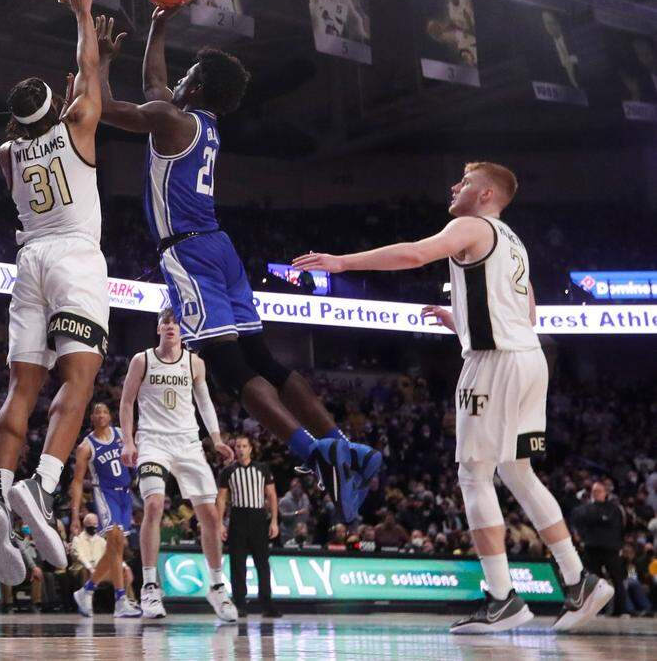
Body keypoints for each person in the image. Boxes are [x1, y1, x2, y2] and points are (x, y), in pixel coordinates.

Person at [293, 161, 614, 634]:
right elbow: (526, 312)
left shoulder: (471, 225)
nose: (453, 186)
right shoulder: (513, 241)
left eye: (464, 182)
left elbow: (414, 254)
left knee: (473, 474)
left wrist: (342, 263)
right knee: (517, 472)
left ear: (485, 195)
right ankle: (578, 579)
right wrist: (460, 320)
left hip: (494, 363)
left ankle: (502, 599)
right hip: (529, 360)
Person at [93, 11, 379, 523]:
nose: (177, 80)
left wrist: (102, 60)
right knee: (264, 360)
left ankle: (316, 456)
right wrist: (159, 24)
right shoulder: (202, 124)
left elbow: (106, 109)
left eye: (187, 75)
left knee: (230, 369)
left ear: (197, 86)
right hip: (221, 247)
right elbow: (156, 85)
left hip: (189, 252)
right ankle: (343, 445)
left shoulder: (170, 119)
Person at [0, 0, 109, 586]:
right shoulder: (79, 124)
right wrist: (82, 13)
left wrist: (64, 94)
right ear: (58, 106)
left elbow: (58, 104)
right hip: (74, 258)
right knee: (78, 380)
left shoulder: (8, 152)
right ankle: (43, 484)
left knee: (21, 388)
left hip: (28, 261)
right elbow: (87, 69)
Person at [117, 308, 236, 621]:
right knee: (154, 505)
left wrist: (216, 439)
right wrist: (128, 441)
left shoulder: (195, 362)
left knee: (210, 515)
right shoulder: (142, 360)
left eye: (176, 323)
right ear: (158, 328)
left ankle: (217, 587)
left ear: (183, 330)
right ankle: (150, 587)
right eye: (166, 322)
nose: (170, 326)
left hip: (188, 444)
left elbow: (204, 402)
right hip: (152, 442)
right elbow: (126, 402)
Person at [68, 402, 142, 618]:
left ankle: (87, 590)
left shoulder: (121, 434)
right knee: (116, 542)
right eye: (97, 412)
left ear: (110, 416)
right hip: (105, 494)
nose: (101, 415)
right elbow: (77, 481)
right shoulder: (86, 446)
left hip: (125, 495)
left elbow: (135, 455)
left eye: (105, 412)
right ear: (91, 417)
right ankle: (120, 600)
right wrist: (75, 514)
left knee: (115, 548)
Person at [217, 435, 280, 617]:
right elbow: (221, 499)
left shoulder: (262, 468)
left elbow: (272, 495)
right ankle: (239, 603)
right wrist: (220, 523)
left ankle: (266, 603)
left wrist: (274, 521)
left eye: (244, 446)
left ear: (251, 448)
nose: (241, 449)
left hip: (258, 517)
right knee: (237, 563)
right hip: (238, 517)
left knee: (263, 562)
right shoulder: (228, 471)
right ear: (235, 449)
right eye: (238, 446)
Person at [571, 481, 628, 617]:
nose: (596, 494)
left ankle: (620, 611)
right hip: (592, 548)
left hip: (611, 549)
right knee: (594, 581)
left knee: (617, 579)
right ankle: (595, 610)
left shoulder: (614, 509)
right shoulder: (584, 509)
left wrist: (620, 544)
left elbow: (620, 527)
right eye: (594, 491)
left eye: (599, 491)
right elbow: (577, 522)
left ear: (605, 493)